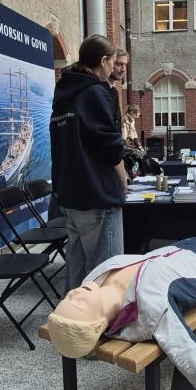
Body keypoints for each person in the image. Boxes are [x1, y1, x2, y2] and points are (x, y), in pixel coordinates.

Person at [47, 236, 196, 390]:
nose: (73, 294)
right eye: (78, 304)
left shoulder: (92, 281)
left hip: (174, 250)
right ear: (98, 325)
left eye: (67, 298)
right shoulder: (148, 310)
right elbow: (186, 351)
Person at [50, 34, 127, 291]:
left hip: (71, 195)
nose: (114, 68)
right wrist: (123, 180)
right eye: (113, 62)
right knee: (105, 273)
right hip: (96, 193)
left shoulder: (64, 93)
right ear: (104, 61)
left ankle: (72, 314)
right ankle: (97, 317)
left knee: (78, 269)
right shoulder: (94, 92)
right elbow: (110, 145)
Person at [107, 49, 129, 130]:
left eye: (125, 65)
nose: (123, 69)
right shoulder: (100, 90)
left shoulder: (114, 90)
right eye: (119, 64)